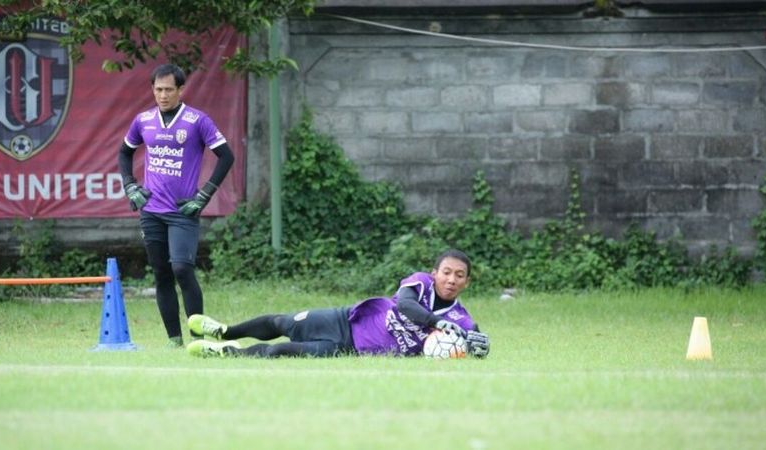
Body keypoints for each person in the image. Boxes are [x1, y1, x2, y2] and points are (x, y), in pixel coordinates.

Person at [185, 249, 490, 358]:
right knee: (282, 324)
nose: (451, 279)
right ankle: (225, 332)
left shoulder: (459, 317)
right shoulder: (420, 282)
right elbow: (407, 306)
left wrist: (478, 343)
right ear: (435, 272)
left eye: (459, 275)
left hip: (348, 348)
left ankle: (223, 352)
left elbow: (473, 335)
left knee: (280, 352)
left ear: (467, 282)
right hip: (345, 320)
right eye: (446, 272)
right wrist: (436, 322)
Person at [118, 63, 234, 347]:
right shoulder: (143, 120)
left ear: (181, 90)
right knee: (161, 274)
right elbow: (124, 152)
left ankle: (197, 339)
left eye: (169, 89)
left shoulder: (197, 120)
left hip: (182, 212)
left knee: (182, 268)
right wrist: (130, 185)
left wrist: (203, 195)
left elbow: (226, 156)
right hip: (151, 212)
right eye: (158, 89)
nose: (163, 95)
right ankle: (174, 341)